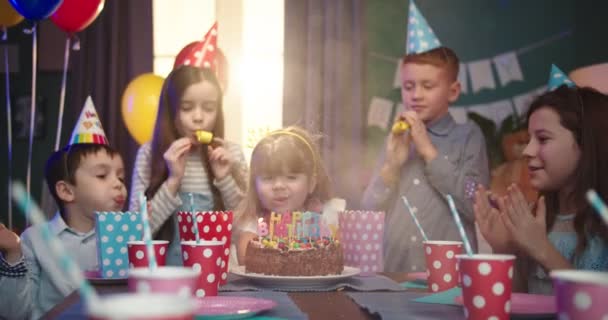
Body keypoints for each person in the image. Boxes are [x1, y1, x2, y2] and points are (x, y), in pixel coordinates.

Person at [361, 46, 489, 272]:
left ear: (453, 91)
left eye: (427, 86)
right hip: (395, 271)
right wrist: (391, 166)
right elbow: (368, 211)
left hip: (449, 274)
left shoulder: (468, 136)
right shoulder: (395, 139)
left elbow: (474, 202)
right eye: (408, 86)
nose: (416, 95)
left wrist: (428, 150)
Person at [0, 98, 127, 319]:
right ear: (67, 191)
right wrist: (13, 254)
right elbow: (14, 314)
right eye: (102, 175)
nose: (118, 183)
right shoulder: (35, 240)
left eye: (121, 176)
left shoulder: (126, 235)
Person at [474, 85, 608, 294]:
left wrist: (542, 248)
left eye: (543, 139)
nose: (528, 151)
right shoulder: (536, 219)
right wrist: (505, 250)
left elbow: (597, 306)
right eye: (529, 140)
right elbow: (520, 302)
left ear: (586, 144)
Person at [129, 65, 247, 265]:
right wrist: (173, 180)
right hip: (166, 277)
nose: (198, 117)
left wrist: (225, 179)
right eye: (186, 108)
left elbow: (244, 229)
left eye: (209, 108)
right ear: (170, 111)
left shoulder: (232, 154)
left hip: (219, 274)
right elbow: (135, 234)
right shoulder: (150, 155)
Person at [235, 126, 337, 264]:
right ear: (255, 185)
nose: (278, 186)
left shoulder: (325, 219)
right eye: (268, 178)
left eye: (291, 177)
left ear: (311, 183)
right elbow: (245, 258)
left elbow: (337, 255)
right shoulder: (253, 224)